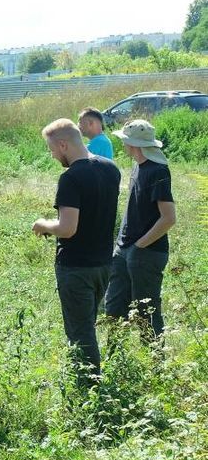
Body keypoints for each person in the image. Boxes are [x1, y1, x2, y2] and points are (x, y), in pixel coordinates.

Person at [32, 119, 121, 385]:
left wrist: (43, 225)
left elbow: (68, 228)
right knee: (88, 324)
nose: (52, 155)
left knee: (80, 333)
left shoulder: (70, 178)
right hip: (104, 263)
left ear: (63, 144)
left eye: (52, 149)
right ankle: (91, 382)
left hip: (77, 268)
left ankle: (91, 391)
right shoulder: (111, 169)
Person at [104, 119, 176, 336]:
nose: (122, 145)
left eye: (124, 141)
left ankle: (156, 365)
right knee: (114, 308)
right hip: (124, 248)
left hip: (147, 252)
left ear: (132, 143)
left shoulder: (158, 171)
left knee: (147, 312)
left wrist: (139, 246)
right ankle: (115, 359)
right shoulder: (138, 164)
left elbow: (169, 218)